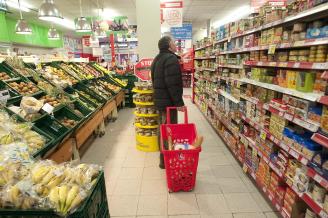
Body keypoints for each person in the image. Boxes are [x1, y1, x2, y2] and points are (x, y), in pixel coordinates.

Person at [151, 36, 184, 169]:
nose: (175, 45)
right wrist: (179, 103)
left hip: (160, 102)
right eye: (174, 43)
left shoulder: (157, 59)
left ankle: (163, 159)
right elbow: (173, 84)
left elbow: (154, 80)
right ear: (169, 45)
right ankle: (168, 159)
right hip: (168, 104)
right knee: (169, 130)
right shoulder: (170, 59)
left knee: (162, 129)